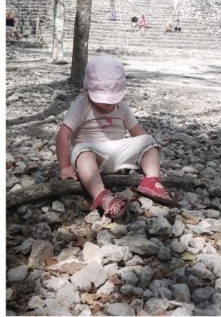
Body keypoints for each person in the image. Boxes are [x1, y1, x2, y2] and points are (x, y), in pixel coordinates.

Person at [55, 56, 175, 220]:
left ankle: (152, 181)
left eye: (112, 98)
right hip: (92, 155)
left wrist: (146, 149)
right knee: (80, 151)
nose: (108, 104)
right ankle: (103, 197)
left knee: (148, 140)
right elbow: (63, 135)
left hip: (118, 154)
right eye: (102, 98)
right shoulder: (82, 105)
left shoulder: (122, 107)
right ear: (87, 89)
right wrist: (65, 167)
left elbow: (136, 131)